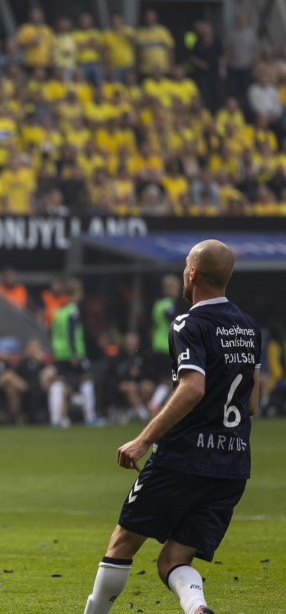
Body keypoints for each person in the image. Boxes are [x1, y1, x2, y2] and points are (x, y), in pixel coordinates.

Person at [82, 240, 260, 614]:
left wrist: (143, 439)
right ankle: (197, 608)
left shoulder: (188, 323)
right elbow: (253, 403)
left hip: (183, 458)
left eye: (185, 265)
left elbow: (192, 388)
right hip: (232, 464)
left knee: (122, 544)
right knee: (173, 560)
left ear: (193, 273)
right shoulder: (249, 327)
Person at [49, 279, 97, 426]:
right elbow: (71, 333)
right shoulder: (73, 310)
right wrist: (75, 353)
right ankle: (90, 417)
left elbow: (53, 333)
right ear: (75, 293)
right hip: (73, 352)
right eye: (80, 292)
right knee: (86, 380)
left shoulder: (58, 311)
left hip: (60, 352)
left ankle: (56, 418)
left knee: (59, 383)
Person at [150, 275, 182, 414]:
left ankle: (156, 403)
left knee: (168, 379)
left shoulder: (157, 304)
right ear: (168, 289)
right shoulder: (169, 305)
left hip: (157, 345)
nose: (178, 291)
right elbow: (177, 324)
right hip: (167, 346)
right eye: (175, 288)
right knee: (173, 379)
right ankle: (160, 405)